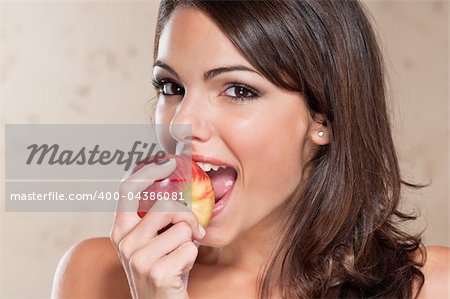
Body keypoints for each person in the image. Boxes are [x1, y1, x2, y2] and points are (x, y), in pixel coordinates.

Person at [51, 1, 450, 298]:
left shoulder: (426, 287)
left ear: (322, 120)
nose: (181, 123)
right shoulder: (97, 276)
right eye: (172, 88)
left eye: (239, 91)